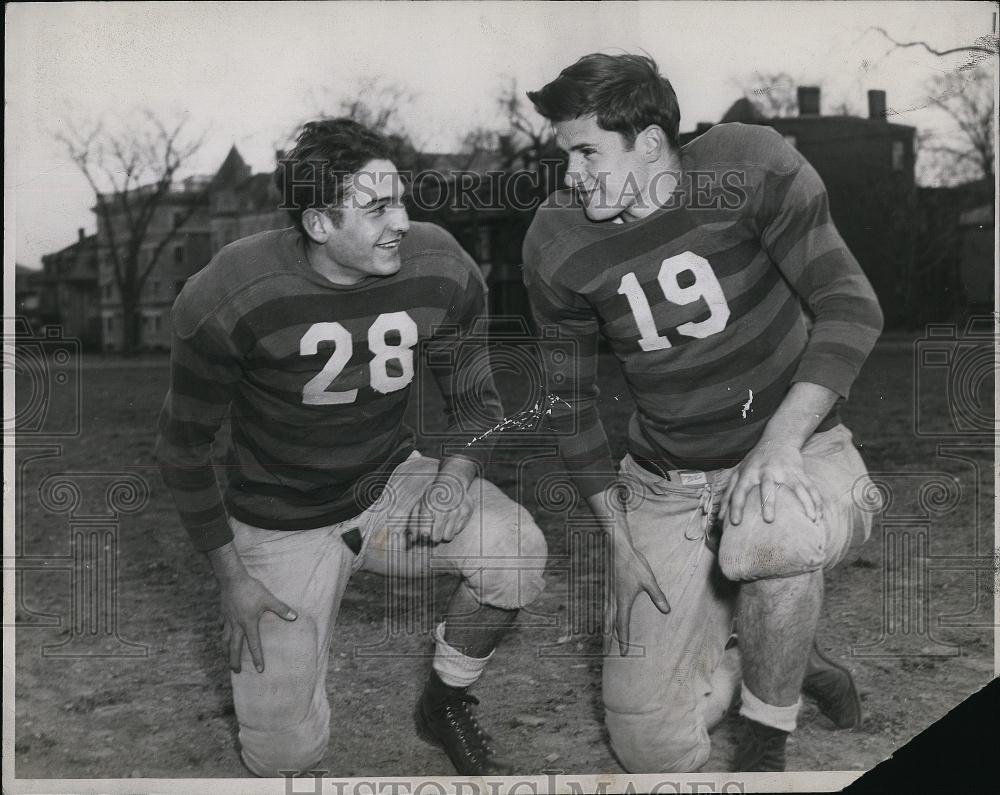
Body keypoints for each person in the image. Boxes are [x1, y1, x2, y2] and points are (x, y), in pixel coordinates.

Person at [522, 54, 883, 773]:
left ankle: (763, 745)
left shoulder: (748, 164)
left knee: (771, 530)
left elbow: (850, 304)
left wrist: (780, 442)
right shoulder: (556, 240)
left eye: (586, 151)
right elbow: (569, 401)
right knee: (647, 747)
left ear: (650, 142)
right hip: (667, 483)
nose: (570, 174)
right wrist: (618, 538)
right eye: (565, 154)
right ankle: (791, 652)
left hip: (799, 450)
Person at [155, 118, 547, 777]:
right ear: (317, 225)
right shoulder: (230, 292)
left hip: (388, 486)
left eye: (400, 198)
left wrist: (451, 480)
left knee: (516, 550)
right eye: (375, 208)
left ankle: (445, 701)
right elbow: (182, 448)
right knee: (282, 754)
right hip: (280, 518)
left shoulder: (438, 262)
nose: (401, 220)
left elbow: (479, 398)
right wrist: (232, 580)